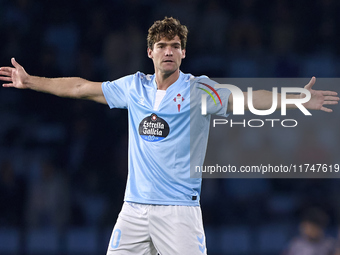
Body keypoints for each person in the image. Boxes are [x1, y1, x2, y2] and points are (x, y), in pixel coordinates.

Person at [0, 17, 339, 255]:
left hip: (178, 212)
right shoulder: (133, 87)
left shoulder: (199, 90)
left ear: (183, 53)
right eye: (161, 45)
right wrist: (31, 82)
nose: (168, 51)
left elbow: (247, 99)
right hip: (133, 210)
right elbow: (80, 87)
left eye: (175, 46)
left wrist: (297, 98)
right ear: (150, 52)